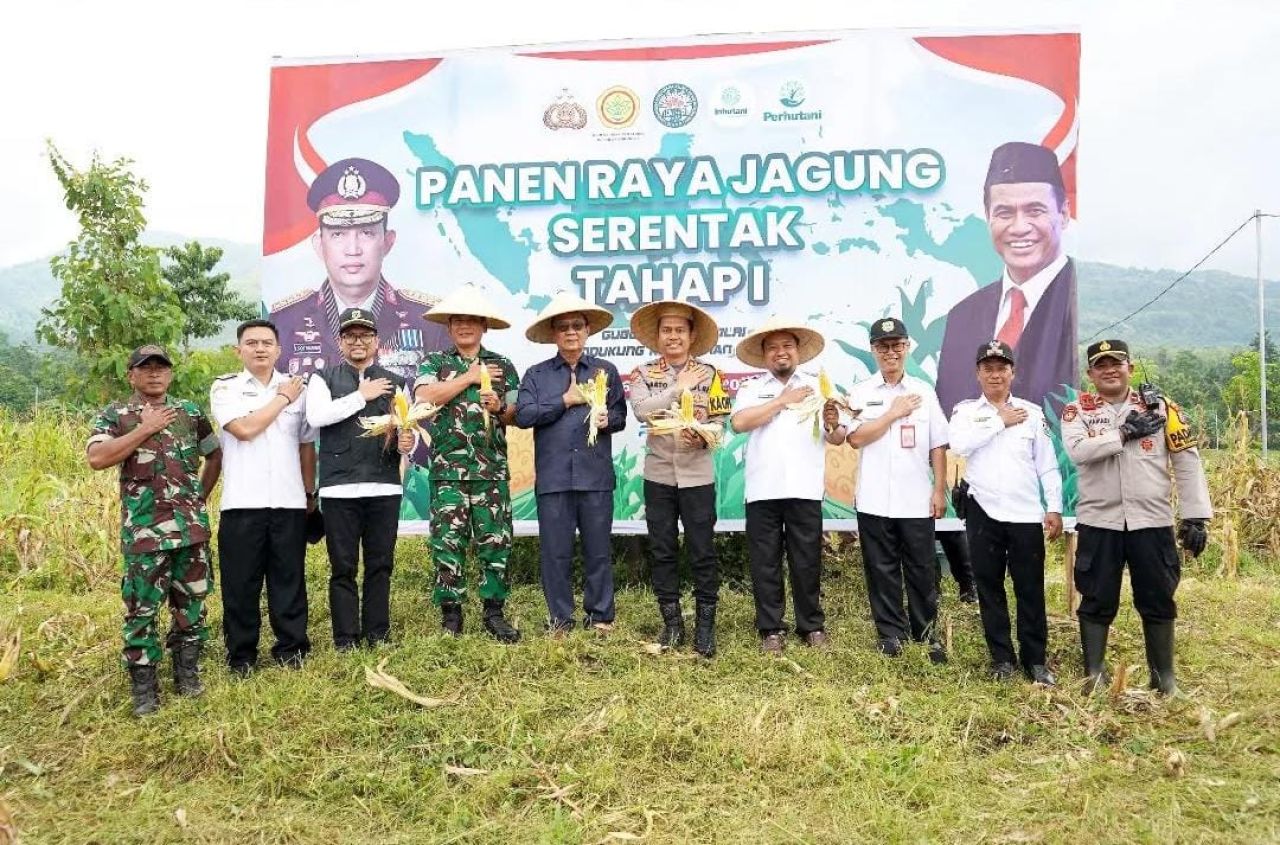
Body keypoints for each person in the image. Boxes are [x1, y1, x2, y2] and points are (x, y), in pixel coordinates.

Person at [1061, 339, 1212, 695]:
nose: (1110, 370)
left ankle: (1164, 679)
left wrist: (1195, 515)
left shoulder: (1160, 408)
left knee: (1158, 597)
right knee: (1096, 597)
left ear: (1130, 367)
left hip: (1152, 520)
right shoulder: (1077, 410)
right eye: (1101, 365)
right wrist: (1124, 432)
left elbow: (1187, 462)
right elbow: (1078, 451)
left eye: (1117, 363)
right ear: (1090, 374)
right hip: (1100, 521)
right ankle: (1094, 677)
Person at [86, 345, 221, 716]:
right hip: (145, 536)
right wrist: (144, 429)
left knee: (191, 606)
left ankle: (187, 676)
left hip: (190, 532)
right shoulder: (117, 415)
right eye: (146, 368)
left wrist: (199, 497)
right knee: (142, 611)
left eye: (161, 367)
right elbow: (98, 458)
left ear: (170, 374)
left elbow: (214, 454)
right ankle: (145, 688)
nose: (155, 373)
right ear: (132, 375)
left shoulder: (190, 413)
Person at [827, 317, 949, 662]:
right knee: (881, 568)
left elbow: (938, 445)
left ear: (907, 348)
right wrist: (892, 414)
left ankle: (926, 634)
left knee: (922, 569)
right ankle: (890, 634)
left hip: (916, 499)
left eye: (897, 345)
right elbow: (854, 439)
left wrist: (939, 490)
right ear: (873, 350)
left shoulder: (923, 391)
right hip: (874, 498)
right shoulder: (862, 392)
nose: (890, 352)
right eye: (883, 346)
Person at [270, 157, 450, 381]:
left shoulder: (428, 321)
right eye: (338, 234)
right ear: (319, 245)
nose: (353, 249)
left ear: (388, 242)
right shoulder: (286, 321)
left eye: (366, 233)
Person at [949, 340, 1063, 684]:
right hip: (983, 511)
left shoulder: (1032, 413)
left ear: (1013, 372)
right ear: (978, 373)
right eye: (988, 368)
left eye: (1002, 368)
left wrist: (1054, 507)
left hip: (1026, 514)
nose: (995, 374)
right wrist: (999, 420)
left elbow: (1048, 466)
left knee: (1030, 588)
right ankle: (1002, 660)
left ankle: (1035, 661)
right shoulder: (966, 412)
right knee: (989, 588)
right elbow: (959, 445)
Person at [935, 141, 1078, 418]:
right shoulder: (961, 316)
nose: (1019, 227)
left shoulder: (1079, 300)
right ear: (988, 216)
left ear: (1063, 214)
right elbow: (946, 413)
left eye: (1035, 210)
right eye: (1004, 212)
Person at [413, 285, 521, 642]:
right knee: (447, 543)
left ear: (484, 326)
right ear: (449, 326)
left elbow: (516, 414)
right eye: (457, 320)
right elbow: (425, 397)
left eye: (472, 320)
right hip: (447, 473)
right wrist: (468, 378)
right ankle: (451, 616)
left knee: (495, 542)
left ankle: (494, 613)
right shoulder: (435, 363)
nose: (464, 326)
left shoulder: (503, 365)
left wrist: (499, 409)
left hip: (491, 471)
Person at [515, 292, 626, 635]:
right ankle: (560, 618)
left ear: (588, 330)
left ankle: (601, 616)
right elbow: (524, 415)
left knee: (598, 551)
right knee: (555, 554)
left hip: (595, 476)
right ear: (553, 334)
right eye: (562, 327)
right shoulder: (536, 375)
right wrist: (565, 400)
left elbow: (622, 414)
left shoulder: (605, 371)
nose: (570, 332)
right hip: (554, 478)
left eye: (577, 326)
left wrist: (610, 420)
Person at [210, 319, 316, 676]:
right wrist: (283, 397)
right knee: (241, 584)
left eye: (267, 343)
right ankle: (241, 656)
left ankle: (292, 649)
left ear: (279, 350)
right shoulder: (226, 389)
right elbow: (244, 430)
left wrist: (308, 493)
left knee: (289, 579)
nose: (260, 349)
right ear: (238, 350)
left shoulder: (299, 390)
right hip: (242, 504)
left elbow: (305, 445)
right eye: (251, 343)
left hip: (288, 502)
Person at [305, 307, 414, 650]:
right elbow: (318, 416)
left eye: (365, 335)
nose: (358, 342)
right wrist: (361, 396)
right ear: (340, 342)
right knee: (343, 567)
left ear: (377, 341)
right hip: (340, 489)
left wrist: (405, 442)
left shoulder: (396, 383)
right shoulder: (324, 378)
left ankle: (378, 633)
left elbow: (405, 428)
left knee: (381, 564)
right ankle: (345, 637)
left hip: (384, 486)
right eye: (351, 335)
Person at [731, 315, 839, 654]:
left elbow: (837, 436)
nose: (781, 352)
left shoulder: (817, 385)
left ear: (798, 352)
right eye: (773, 347)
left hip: (804, 488)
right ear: (764, 355)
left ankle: (811, 626)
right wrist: (781, 401)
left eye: (787, 346)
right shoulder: (752, 388)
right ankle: (771, 629)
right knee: (765, 561)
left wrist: (835, 425)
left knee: (806, 560)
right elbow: (738, 423)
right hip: (762, 489)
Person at [628, 300, 729, 657]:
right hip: (658, 476)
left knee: (702, 551)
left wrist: (704, 436)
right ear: (657, 337)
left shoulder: (710, 374)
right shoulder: (642, 374)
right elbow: (640, 410)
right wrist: (676, 388)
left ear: (691, 336)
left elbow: (720, 420)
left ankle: (705, 627)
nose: (673, 337)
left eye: (680, 331)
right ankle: (672, 623)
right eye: (666, 331)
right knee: (663, 550)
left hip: (697, 476)